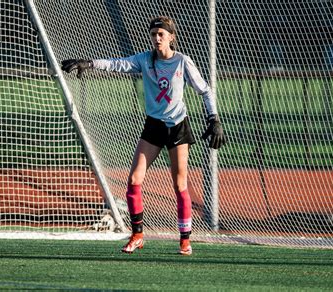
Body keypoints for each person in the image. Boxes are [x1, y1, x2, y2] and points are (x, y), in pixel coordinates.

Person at [61, 16, 225, 256]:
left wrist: (214, 119)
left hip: (178, 127)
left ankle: (185, 240)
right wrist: (90, 63)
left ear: (171, 37)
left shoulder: (182, 62)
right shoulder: (144, 60)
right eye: (153, 35)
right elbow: (117, 64)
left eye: (161, 34)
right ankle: (137, 235)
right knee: (134, 180)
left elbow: (205, 90)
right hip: (154, 127)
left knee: (180, 184)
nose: (157, 38)